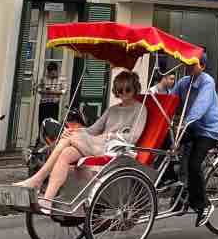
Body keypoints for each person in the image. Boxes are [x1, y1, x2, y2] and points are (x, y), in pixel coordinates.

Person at [15, 70, 146, 209]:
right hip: (98, 144)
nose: (123, 94)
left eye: (128, 90)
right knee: (66, 153)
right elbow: (92, 130)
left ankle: (38, 179)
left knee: (69, 139)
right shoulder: (112, 110)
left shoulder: (140, 109)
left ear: (135, 88)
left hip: (114, 148)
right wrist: (75, 130)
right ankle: (47, 199)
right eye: (120, 90)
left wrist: (111, 135)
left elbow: (134, 136)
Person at [156, 51, 218, 227]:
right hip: (191, 127)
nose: (188, 67)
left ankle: (204, 206)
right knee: (163, 139)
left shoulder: (207, 82)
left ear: (202, 66)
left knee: (194, 164)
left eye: (193, 64)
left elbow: (200, 106)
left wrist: (185, 123)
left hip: (208, 130)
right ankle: (170, 175)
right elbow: (172, 100)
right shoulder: (184, 82)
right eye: (187, 63)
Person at [37, 60, 66, 127]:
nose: (52, 75)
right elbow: (38, 89)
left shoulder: (61, 79)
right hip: (44, 104)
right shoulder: (44, 79)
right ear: (48, 72)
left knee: (53, 124)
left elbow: (64, 91)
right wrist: (44, 91)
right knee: (42, 123)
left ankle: (51, 137)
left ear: (56, 71)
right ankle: (41, 136)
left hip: (54, 105)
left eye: (53, 73)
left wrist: (55, 92)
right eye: (50, 73)